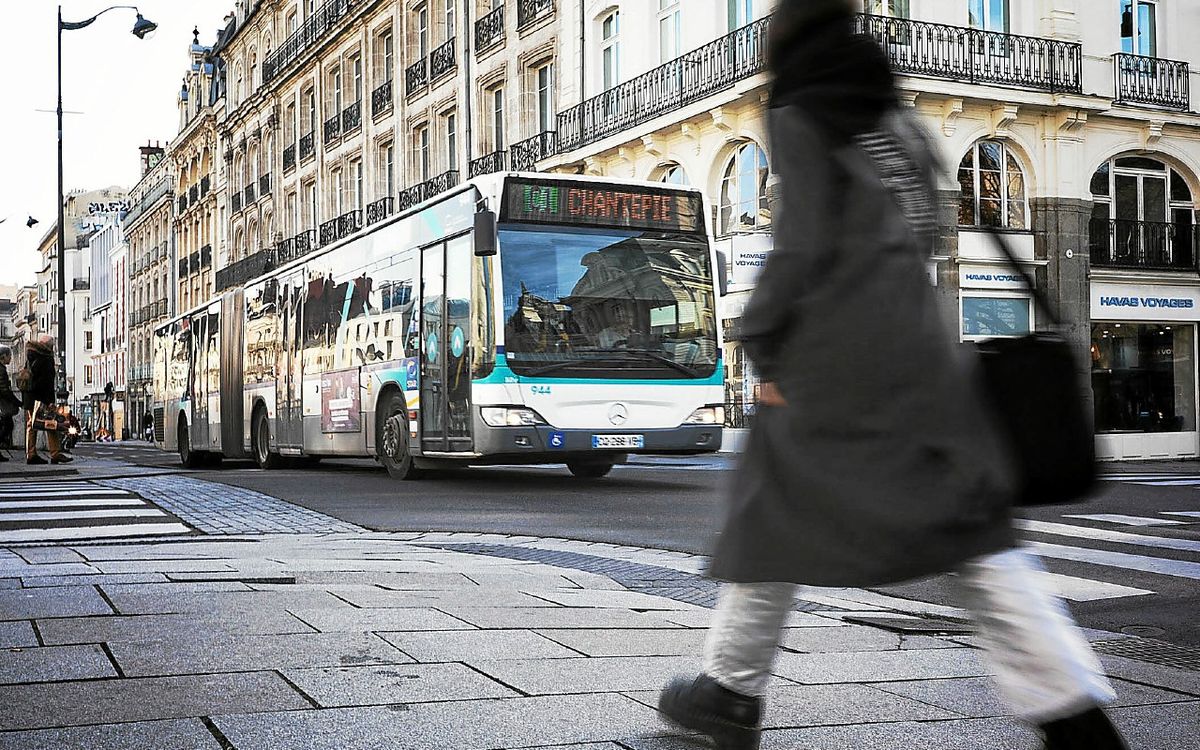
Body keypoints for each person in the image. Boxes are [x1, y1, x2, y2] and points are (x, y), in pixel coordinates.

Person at [656, 3, 1128, 750]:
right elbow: (922, 230)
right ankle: (1073, 710)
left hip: (832, 363)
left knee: (772, 519)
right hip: (919, 354)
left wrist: (765, 339)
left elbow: (804, 241)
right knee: (974, 530)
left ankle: (728, 690)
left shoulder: (803, 108)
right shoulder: (896, 117)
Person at [22, 335, 71, 465]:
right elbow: (46, 382)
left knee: (32, 425)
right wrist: (49, 401)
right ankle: (53, 453)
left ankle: (31, 453)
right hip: (41, 398)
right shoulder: (45, 358)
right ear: (49, 346)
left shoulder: (31, 355)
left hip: (29, 396)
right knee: (50, 422)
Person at [0, 344, 21, 460]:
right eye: (9, 356)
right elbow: (4, 390)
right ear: (3, 356)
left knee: (6, 425)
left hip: (3, 403)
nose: (11, 359)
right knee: (7, 426)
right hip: (3, 404)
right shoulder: (1, 370)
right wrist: (17, 402)